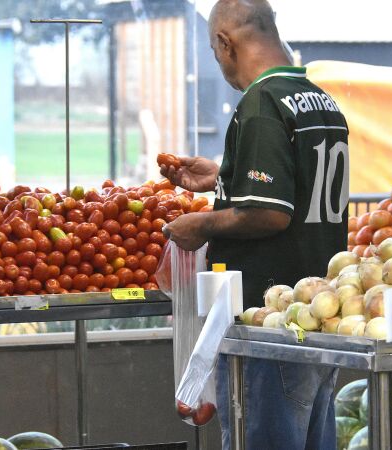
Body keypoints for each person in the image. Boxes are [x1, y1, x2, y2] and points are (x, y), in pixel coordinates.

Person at [161, 0, 349, 448]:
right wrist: (227, 175)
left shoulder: (262, 103)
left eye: (214, 50)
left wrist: (201, 225)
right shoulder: (320, 101)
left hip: (271, 324)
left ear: (225, 44)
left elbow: (271, 213)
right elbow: (295, 184)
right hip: (317, 312)